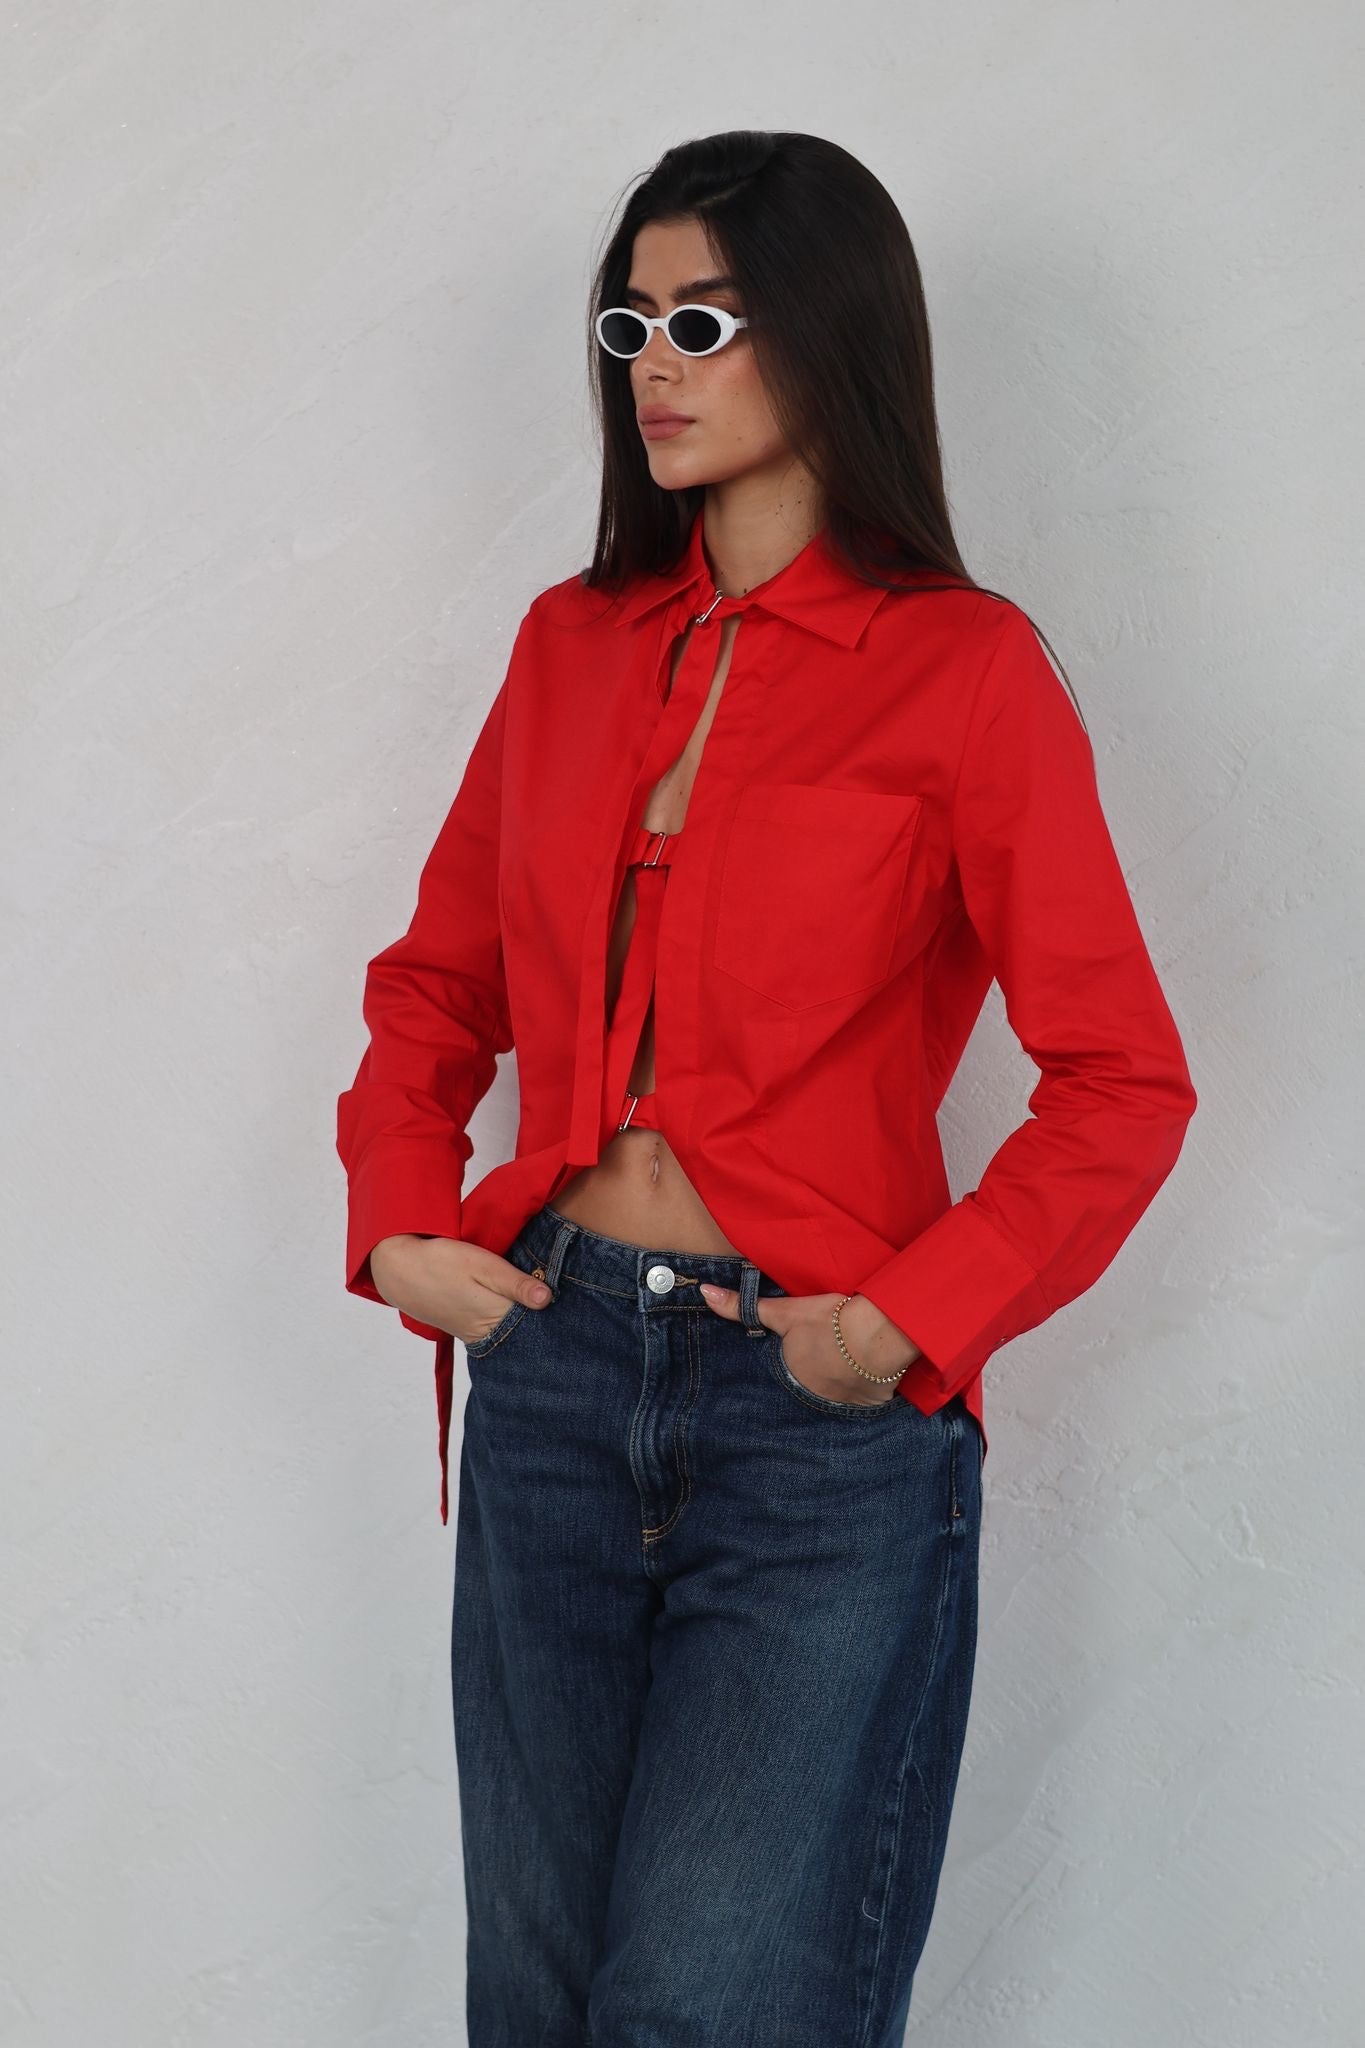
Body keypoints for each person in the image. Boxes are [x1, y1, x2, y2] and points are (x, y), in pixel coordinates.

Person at [335, 130, 1197, 2045]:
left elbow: (1121, 1079)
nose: (654, 362)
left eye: (704, 321)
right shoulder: (568, 648)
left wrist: (908, 1321)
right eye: (630, 322)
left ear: (830, 333)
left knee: (716, 2008)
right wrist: (397, 1222)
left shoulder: (963, 672)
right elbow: (436, 987)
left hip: (814, 1420)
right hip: (552, 1375)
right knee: (536, 2005)